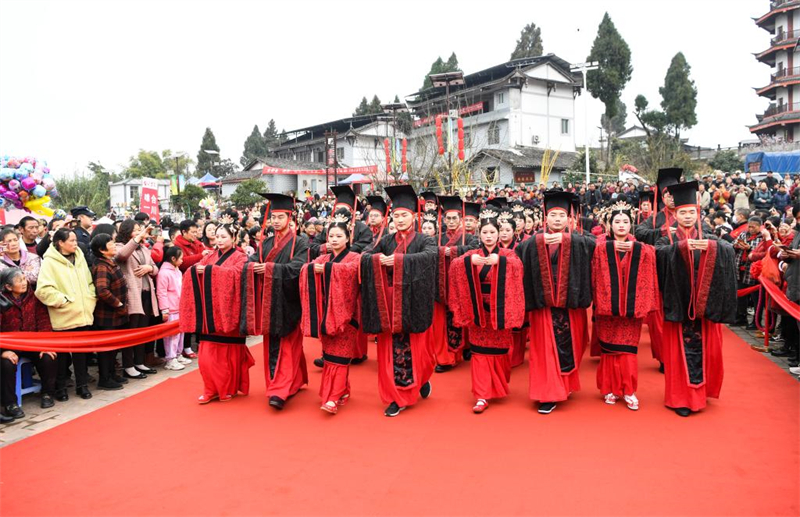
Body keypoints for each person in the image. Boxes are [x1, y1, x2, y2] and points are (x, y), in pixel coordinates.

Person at [656, 181, 737, 417]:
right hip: (679, 306)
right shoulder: (666, 240)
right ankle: (680, 397)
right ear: (675, 214)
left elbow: (729, 250)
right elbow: (655, 257)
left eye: (692, 212)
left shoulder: (710, 236)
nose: (688, 216)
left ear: (698, 212)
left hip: (704, 306)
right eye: (683, 212)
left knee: (708, 351)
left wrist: (712, 247)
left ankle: (702, 392)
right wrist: (681, 247)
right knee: (678, 353)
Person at [360, 185, 438, 417]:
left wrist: (399, 261)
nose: (400, 219)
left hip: (414, 303)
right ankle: (399, 395)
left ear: (414, 216)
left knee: (420, 352)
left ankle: (422, 378)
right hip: (389, 304)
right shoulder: (386, 240)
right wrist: (377, 260)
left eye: (405, 215)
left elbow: (430, 257)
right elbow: (366, 255)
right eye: (396, 215)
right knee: (389, 351)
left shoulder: (425, 240)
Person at [516, 190, 595, 414]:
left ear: (569, 218)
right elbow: (519, 252)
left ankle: (565, 385)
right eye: (553, 215)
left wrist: (567, 239)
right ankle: (548, 394)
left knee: (573, 347)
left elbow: (595, 247)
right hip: (544, 307)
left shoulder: (580, 238)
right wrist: (539, 242)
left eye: (562, 215)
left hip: (570, 305)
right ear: (545, 218)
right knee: (544, 351)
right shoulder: (534, 240)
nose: (558, 219)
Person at [448, 211, 525, 413]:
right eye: (485, 232)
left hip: (499, 311)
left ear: (499, 235)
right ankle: (482, 395)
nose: (489, 236)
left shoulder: (508, 255)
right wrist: (469, 263)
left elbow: (518, 267)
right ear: (480, 235)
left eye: (492, 232)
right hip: (478, 310)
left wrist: (500, 262)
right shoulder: (473, 254)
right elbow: (455, 266)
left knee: (499, 353)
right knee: (479, 353)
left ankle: (497, 386)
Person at [245, 194, 309, 410]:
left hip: (290, 301)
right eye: (273, 217)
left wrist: (271, 269)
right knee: (275, 346)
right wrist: (253, 267)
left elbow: (299, 267)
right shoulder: (266, 243)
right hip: (268, 301)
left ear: (290, 218)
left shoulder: (300, 242)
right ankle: (287, 382)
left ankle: (279, 390)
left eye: (280, 217)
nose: (275, 221)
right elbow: (250, 262)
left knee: (288, 346)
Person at [591, 202, 657, 410]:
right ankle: (609, 388)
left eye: (625, 222)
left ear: (632, 225)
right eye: (617, 221)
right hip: (607, 307)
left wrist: (636, 249)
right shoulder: (600, 246)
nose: (621, 225)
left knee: (628, 352)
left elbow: (652, 257)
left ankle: (628, 389)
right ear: (609, 224)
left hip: (631, 307)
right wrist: (609, 248)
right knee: (609, 351)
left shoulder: (641, 247)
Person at [180, 224, 255, 403]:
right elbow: (194, 270)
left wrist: (210, 271)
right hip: (210, 315)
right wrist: (195, 271)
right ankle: (210, 389)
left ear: (234, 238)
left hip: (229, 314)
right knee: (206, 358)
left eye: (224, 237)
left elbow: (237, 275)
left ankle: (227, 389)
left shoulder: (241, 257)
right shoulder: (211, 256)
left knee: (229, 357)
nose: (219, 240)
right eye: (217, 237)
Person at [300, 214, 361, 414]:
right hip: (326, 315)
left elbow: (350, 272)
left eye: (338, 236)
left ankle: (332, 398)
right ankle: (342, 391)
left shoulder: (355, 258)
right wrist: (311, 269)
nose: (334, 239)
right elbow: (305, 269)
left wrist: (324, 269)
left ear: (347, 238)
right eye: (331, 236)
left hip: (347, 316)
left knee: (340, 356)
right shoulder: (323, 258)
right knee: (330, 355)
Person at [35, 228, 97, 401]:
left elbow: (89, 281)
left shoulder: (80, 256)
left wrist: (90, 297)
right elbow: (43, 290)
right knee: (62, 357)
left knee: (81, 355)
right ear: (60, 243)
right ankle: (60, 388)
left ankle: (82, 386)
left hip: (83, 313)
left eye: (75, 240)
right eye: (71, 240)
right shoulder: (49, 261)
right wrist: (63, 300)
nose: (75, 243)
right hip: (63, 315)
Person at [1, 267, 57, 419]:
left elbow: (43, 320)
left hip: (32, 343)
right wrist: (3, 351)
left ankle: (47, 393)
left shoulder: (34, 297)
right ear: (8, 286)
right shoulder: (2, 302)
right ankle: (10, 403)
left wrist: (45, 345)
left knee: (48, 357)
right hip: (8, 346)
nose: (24, 283)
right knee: (6, 363)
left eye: (24, 279)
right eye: (19, 281)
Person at [433, 195, 478, 372]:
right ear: (443, 220)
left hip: (459, 285)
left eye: (454, 218)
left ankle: (463, 349)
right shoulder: (437, 238)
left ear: (461, 219)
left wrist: (452, 251)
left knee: (460, 319)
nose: (451, 222)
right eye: (448, 218)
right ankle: (446, 358)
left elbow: (472, 251)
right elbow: (429, 252)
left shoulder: (469, 238)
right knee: (442, 324)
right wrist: (442, 251)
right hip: (440, 285)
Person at [89, 233, 129, 390]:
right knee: (106, 350)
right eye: (110, 243)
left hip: (115, 315)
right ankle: (104, 378)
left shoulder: (109, 262)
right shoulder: (101, 266)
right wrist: (118, 304)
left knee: (113, 348)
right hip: (107, 315)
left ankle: (112, 375)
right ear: (102, 250)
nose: (113, 244)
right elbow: (102, 290)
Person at [157, 246, 189, 371]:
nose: (182, 260)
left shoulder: (177, 270)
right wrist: (164, 309)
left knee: (180, 333)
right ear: (173, 258)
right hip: (170, 309)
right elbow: (161, 292)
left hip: (179, 307)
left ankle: (178, 354)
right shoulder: (164, 273)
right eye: (180, 258)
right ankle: (170, 359)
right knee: (171, 336)